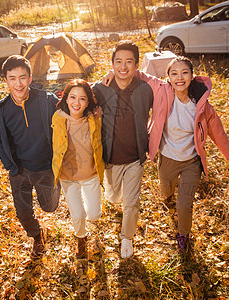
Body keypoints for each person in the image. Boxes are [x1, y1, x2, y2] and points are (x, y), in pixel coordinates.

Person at [103, 56, 229, 252]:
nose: (179, 78)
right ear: (168, 77)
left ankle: (183, 234)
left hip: (192, 161)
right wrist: (113, 72)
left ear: (192, 76)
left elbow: (218, 132)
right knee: (166, 189)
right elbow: (139, 74)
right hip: (167, 158)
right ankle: (167, 198)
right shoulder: (162, 91)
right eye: (174, 73)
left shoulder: (202, 105)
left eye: (184, 73)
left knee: (184, 203)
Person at [0, 55, 60, 259]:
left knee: (49, 207)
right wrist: (8, 165)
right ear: (6, 81)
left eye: (22, 77)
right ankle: (37, 237)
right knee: (23, 211)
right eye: (12, 78)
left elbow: (72, 104)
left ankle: (57, 187)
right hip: (19, 169)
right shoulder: (1, 110)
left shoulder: (45, 100)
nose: (18, 83)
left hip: (45, 166)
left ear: (30, 78)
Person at [92, 40, 154, 259]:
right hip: (110, 159)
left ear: (137, 65)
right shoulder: (100, 89)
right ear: (112, 64)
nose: (123, 66)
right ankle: (114, 195)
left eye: (129, 62)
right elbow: (78, 101)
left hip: (135, 158)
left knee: (131, 202)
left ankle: (126, 238)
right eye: (118, 62)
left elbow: (167, 91)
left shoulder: (145, 89)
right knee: (112, 196)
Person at [51, 79, 105, 259]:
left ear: (88, 102)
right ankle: (81, 238)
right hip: (68, 176)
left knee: (94, 214)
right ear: (65, 99)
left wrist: (99, 112)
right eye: (72, 97)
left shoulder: (93, 118)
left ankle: (90, 221)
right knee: (78, 214)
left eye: (82, 99)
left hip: (90, 174)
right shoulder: (58, 118)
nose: (76, 102)